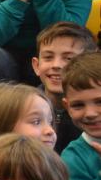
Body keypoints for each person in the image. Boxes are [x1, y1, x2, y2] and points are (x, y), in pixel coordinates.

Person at [33, 23, 97, 153]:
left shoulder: (94, 116)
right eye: (48, 57)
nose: (56, 65)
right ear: (36, 65)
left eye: (68, 58)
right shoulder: (24, 108)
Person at [59, 53, 101, 180]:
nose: (90, 113)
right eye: (78, 105)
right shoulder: (73, 157)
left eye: (99, 102)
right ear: (66, 106)